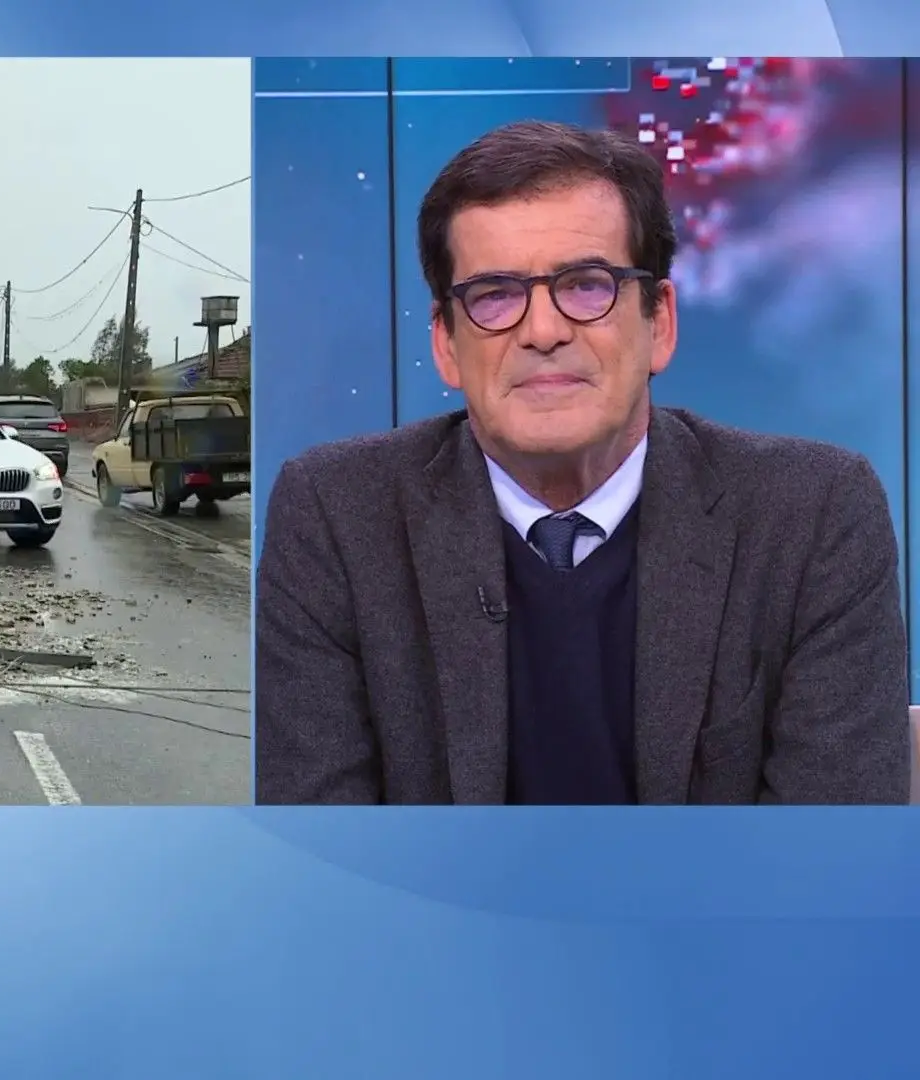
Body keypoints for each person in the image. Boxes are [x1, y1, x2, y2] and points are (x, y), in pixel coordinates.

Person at [254, 119, 911, 805]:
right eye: (495, 295)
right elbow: (324, 852)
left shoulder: (814, 515)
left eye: (587, 285)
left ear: (659, 322)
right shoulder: (334, 517)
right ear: (446, 344)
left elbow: (827, 854)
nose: (543, 331)